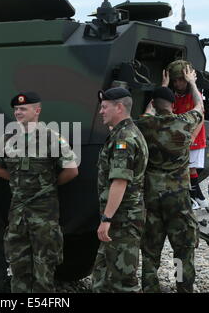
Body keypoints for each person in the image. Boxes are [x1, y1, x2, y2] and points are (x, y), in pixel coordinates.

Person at [0, 92, 79, 293]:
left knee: (44, 269)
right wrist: (18, 183)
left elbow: (72, 170)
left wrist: (47, 186)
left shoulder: (52, 138)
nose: (18, 112)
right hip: (18, 215)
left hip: (44, 215)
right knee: (18, 267)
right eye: (16, 109)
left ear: (37, 110)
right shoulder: (6, 139)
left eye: (23, 108)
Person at [136, 76, 203, 292]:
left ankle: (150, 288)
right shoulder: (184, 122)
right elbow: (200, 106)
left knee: (150, 252)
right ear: (173, 104)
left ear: (154, 103)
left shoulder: (145, 124)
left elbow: (148, 111)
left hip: (152, 199)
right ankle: (183, 287)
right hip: (178, 201)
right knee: (182, 250)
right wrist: (192, 83)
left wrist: (161, 87)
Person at [91, 87, 148, 293]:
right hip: (121, 217)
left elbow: (120, 181)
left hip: (121, 219)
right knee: (103, 274)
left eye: (105, 107)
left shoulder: (124, 139)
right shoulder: (125, 133)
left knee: (122, 280)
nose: (101, 111)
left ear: (119, 107)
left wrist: (106, 219)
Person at [163, 60, 207, 208]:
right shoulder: (173, 96)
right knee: (184, 169)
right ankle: (198, 196)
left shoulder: (194, 95)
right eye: (175, 81)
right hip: (179, 139)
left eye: (181, 80)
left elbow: (201, 116)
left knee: (190, 168)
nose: (177, 84)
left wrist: (193, 136)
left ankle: (194, 198)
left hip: (193, 137)